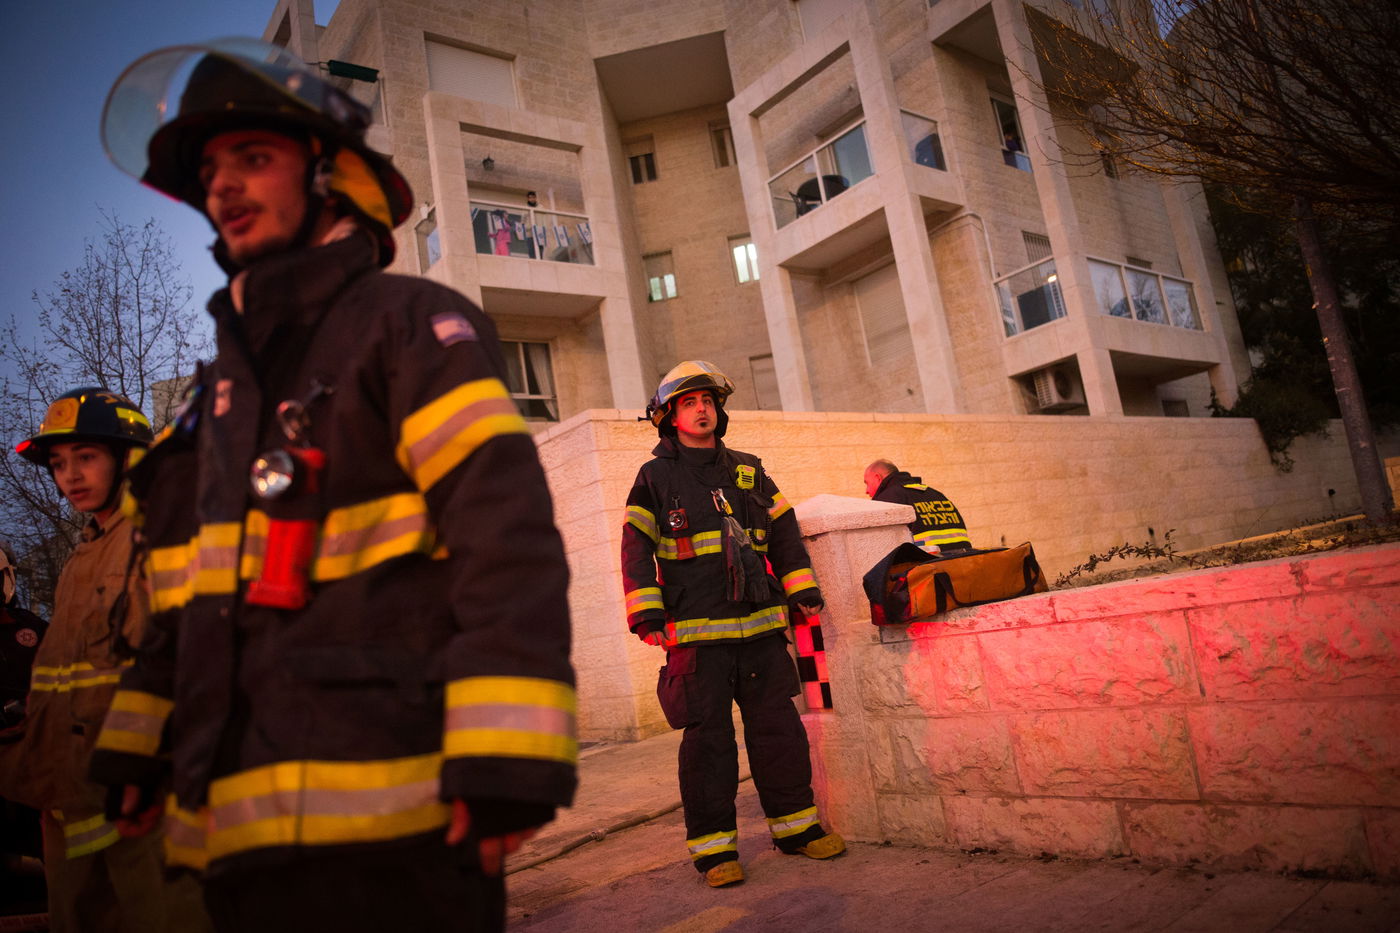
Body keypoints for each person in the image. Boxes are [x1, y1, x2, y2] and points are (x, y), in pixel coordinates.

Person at [89, 39, 577, 932]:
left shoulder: (409, 326)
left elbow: (505, 542)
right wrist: (141, 741)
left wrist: (507, 756)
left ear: (330, 174)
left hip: (402, 824)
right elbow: (188, 596)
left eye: (254, 157)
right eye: (209, 170)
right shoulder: (217, 398)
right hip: (238, 837)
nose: (223, 186)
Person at [621, 360, 844, 889]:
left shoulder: (748, 469)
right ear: (668, 417)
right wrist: (646, 613)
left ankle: (796, 828)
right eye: (689, 403)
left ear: (719, 412)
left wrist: (801, 588)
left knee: (779, 732)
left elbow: (784, 533)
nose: (702, 410)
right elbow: (635, 548)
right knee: (709, 744)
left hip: (762, 627)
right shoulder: (655, 477)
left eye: (708, 402)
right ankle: (715, 851)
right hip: (697, 636)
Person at [3, 388, 209, 932]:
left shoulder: (163, 538)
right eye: (57, 463)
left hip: (145, 796)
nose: (69, 476)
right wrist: (40, 774)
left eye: (86, 457)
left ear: (130, 458)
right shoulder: (83, 554)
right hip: (73, 796)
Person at [864, 459, 972, 554]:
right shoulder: (935, 493)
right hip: (962, 562)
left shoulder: (887, 499)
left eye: (867, 483)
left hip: (926, 569)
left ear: (878, 478)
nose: (867, 491)